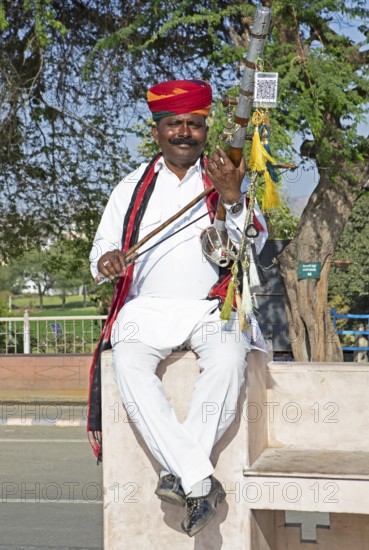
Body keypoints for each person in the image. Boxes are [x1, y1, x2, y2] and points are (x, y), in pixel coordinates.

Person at [89, 79, 268, 537]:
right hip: (146, 309)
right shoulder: (129, 188)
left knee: (230, 356)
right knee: (127, 361)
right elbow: (101, 252)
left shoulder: (227, 177)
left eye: (194, 124)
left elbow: (254, 246)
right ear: (158, 131)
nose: (185, 132)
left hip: (211, 307)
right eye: (175, 124)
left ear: (206, 130)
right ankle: (199, 478)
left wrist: (231, 197)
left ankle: (182, 475)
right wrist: (107, 260)